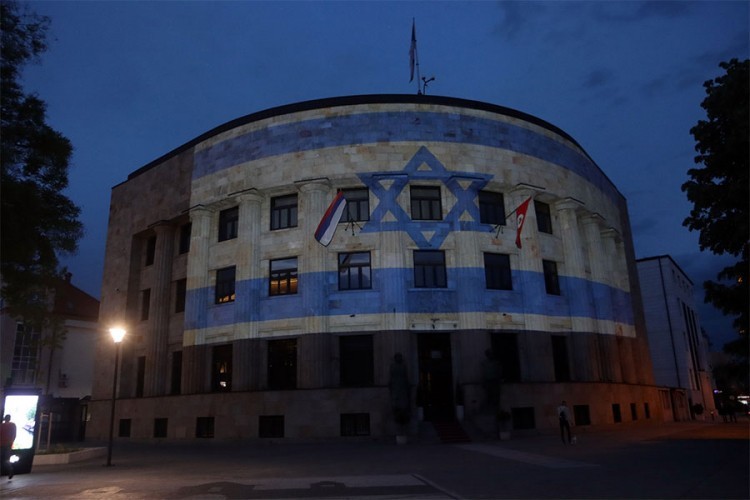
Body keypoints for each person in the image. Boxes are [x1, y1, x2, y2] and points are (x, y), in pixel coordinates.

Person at [1, 414, 17, 480]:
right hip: (8, 444)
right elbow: (14, 435)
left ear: (4, 419)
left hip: (1, 444)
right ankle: (10, 470)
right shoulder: (13, 425)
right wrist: (11, 442)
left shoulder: (1, 425)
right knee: (6, 459)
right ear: (9, 418)